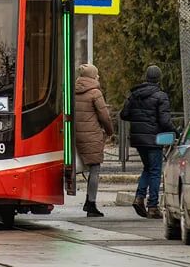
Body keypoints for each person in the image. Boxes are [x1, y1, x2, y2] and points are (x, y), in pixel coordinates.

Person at [121, 65, 174, 218]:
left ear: (146, 77)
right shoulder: (161, 96)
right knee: (156, 171)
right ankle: (153, 206)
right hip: (154, 139)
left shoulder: (134, 94)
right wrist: (176, 132)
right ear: (159, 78)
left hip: (138, 139)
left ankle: (139, 197)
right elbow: (165, 121)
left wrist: (139, 119)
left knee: (148, 168)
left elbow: (124, 114)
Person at [72, 64, 115, 218]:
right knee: (95, 168)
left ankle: (88, 201)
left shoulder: (72, 91)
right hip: (91, 135)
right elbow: (104, 116)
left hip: (76, 134)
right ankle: (91, 203)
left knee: (80, 166)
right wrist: (110, 131)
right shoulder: (95, 93)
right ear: (92, 76)